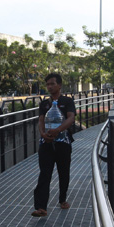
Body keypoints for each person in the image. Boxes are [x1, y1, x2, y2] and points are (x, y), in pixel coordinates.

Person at [31, 73, 76, 217]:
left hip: (63, 142)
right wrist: (43, 134)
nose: (50, 87)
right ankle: (41, 207)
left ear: (59, 85)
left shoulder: (67, 101)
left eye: (52, 84)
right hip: (46, 143)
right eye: (48, 84)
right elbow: (41, 120)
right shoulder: (44, 103)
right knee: (45, 173)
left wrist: (58, 130)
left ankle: (62, 199)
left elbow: (71, 118)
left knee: (63, 172)